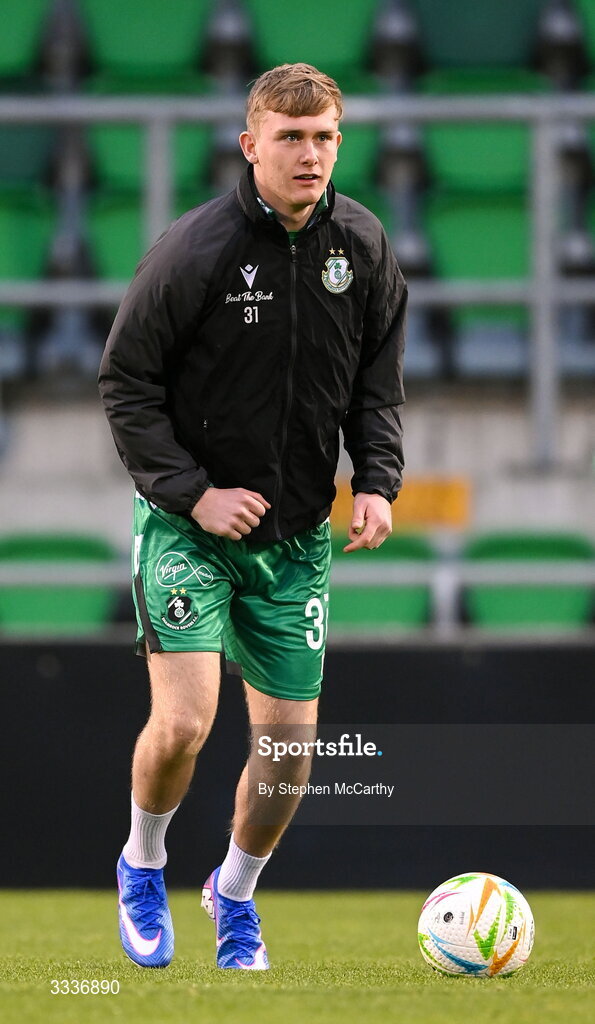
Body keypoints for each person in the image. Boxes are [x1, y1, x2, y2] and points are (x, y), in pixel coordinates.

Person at [98, 61, 406, 971]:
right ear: (250, 145)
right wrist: (194, 492)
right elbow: (125, 383)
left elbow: (374, 386)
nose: (309, 155)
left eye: (324, 138)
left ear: (338, 143)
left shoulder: (363, 243)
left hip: (297, 541)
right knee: (187, 722)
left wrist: (378, 481)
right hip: (188, 528)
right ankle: (143, 862)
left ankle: (233, 896)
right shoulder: (193, 250)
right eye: (290, 138)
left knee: (286, 761)